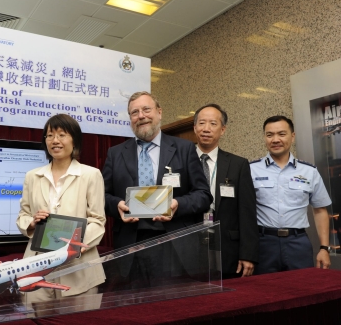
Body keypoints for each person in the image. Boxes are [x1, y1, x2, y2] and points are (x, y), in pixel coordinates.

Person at [102, 91, 212, 284]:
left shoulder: (184, 149)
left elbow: (203, 195)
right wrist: (117, 204)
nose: (141, 116)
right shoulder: (115, 153)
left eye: (146, 109)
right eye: (134, 112)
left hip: (174, 244)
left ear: (159, 112)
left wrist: (177, 204)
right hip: (130, 245)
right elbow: (102, 196)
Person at [17, 114, 106, 304]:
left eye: (62, 135)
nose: (55, 141)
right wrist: (31, 222)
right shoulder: (32, 176)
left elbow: (98, 222)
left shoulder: (91, 175)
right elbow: (23, 215)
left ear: (75, 140)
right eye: (49, 136)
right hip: (37, 266)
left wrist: (71, 244)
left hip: (79, 267)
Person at [250, 115, 331, 274]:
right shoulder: (250, 170)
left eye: (281, 134)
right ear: (264, 138)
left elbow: (320, 210)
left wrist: (324, 248)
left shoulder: (309, 171)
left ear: (292, 136)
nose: (275, 139)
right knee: (265, 293)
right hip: (263, 243)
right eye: (269, 135)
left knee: (303, 291)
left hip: (298, 243)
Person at [193, 103, 259, 279]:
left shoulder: (239, 165)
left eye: (213, 124)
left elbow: (247, 212)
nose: (206, 129)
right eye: (202, 123)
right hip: (188, 247)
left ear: (222, 130)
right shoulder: (181, 161)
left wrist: (248, 254)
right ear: (194, 128)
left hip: (228, 248)